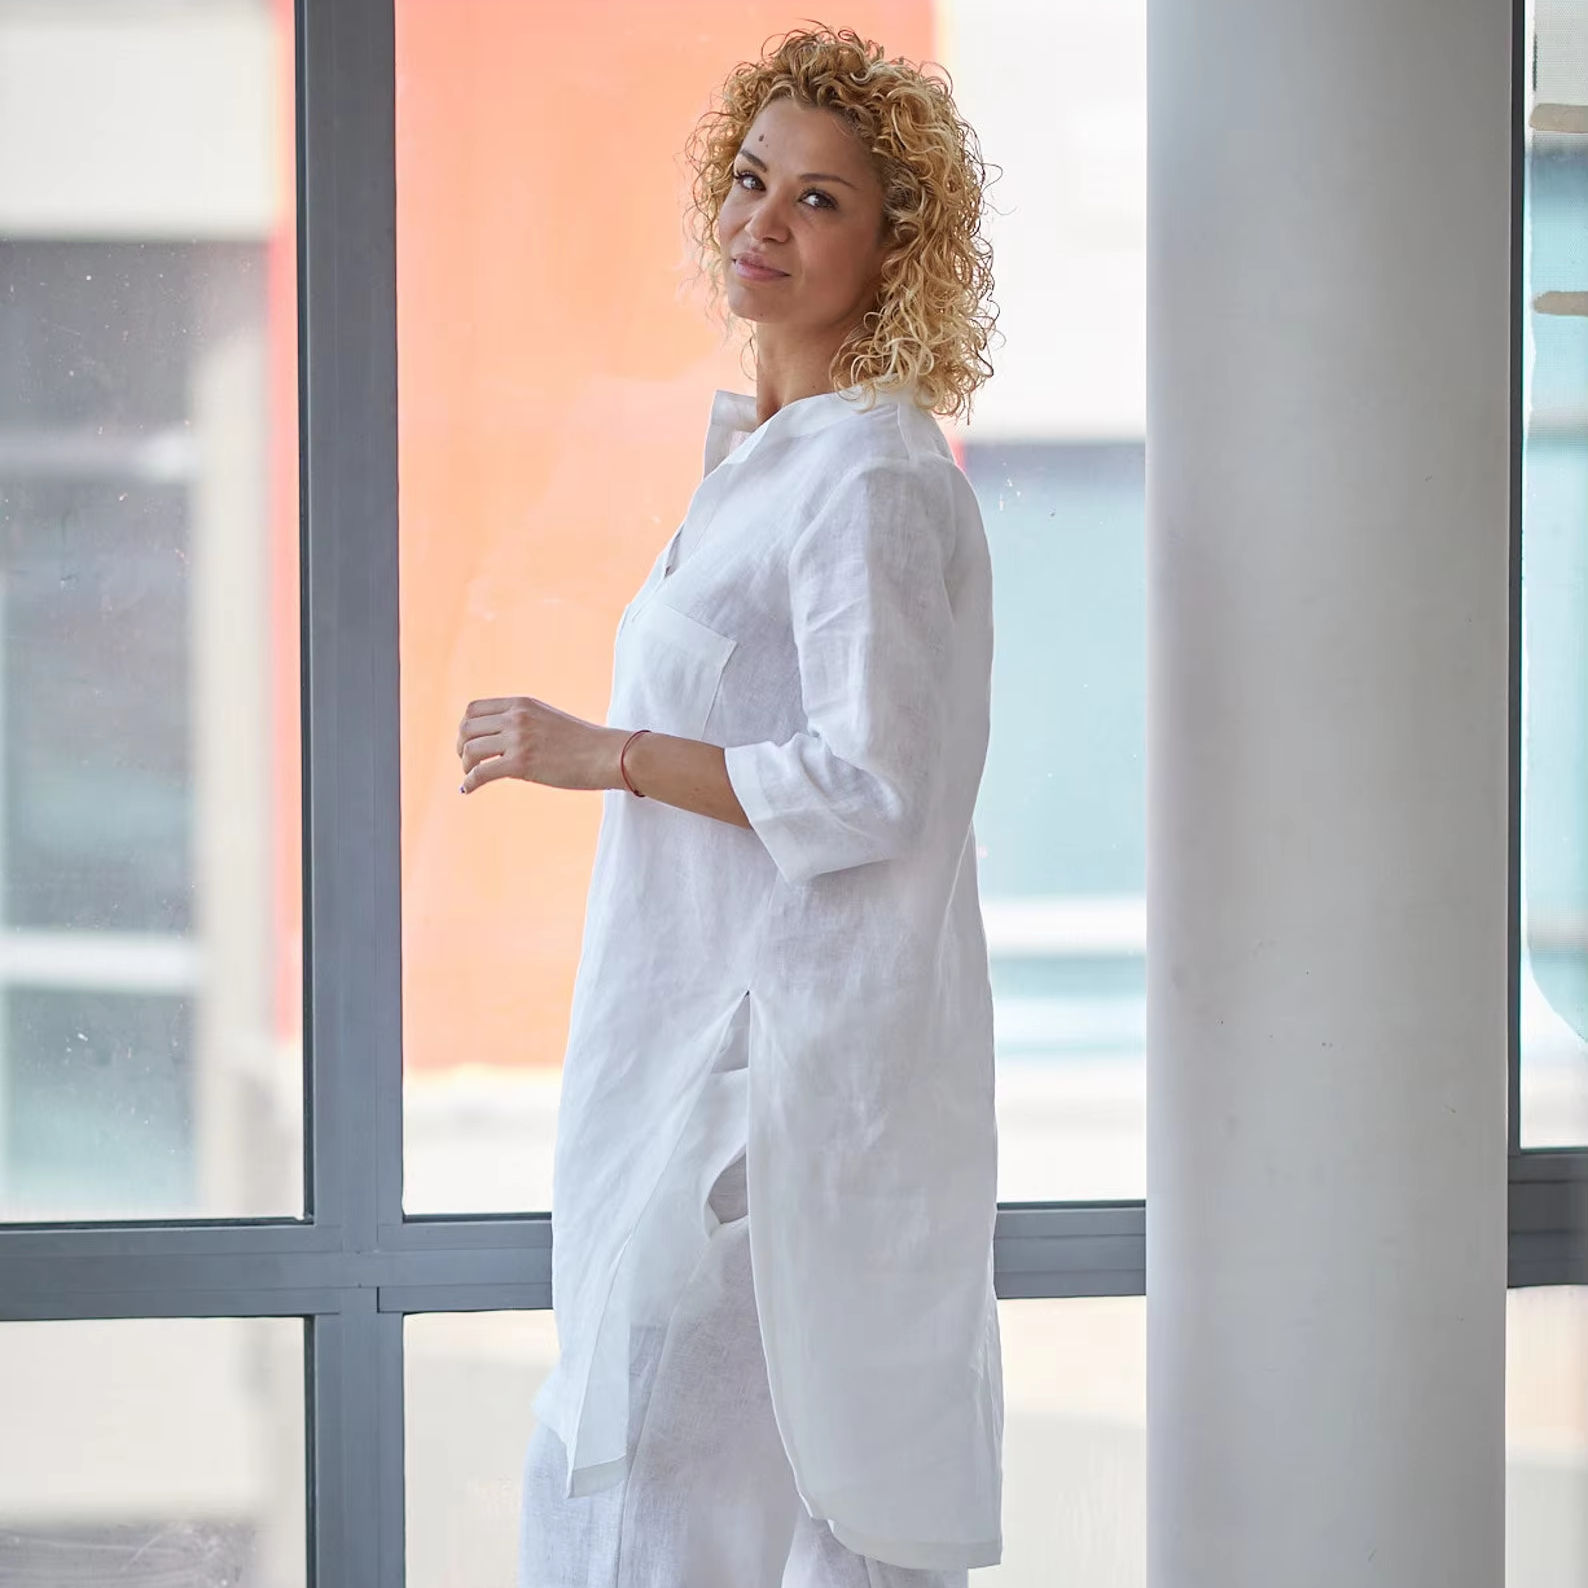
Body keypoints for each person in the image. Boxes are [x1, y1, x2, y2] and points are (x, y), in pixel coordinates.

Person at [455, 23, 1002, 1587]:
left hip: (768, 1096)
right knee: (652, 1475)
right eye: (753, 179)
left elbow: (874, 781)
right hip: (694, 1049)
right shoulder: (765, 463)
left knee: (661, 1481)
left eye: (821, 200)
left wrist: (609, 753)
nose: (765, 221)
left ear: (896, 249)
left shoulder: (870, 483)